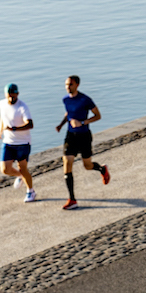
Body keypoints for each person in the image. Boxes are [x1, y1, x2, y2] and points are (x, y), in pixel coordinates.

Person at [56, 75, 111, 210]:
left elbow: (98, 116)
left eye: (70, 84)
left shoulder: (85, 100)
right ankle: (72, 199)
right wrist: (61, 124)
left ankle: (102, 169)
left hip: (84, 136)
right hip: (70, 136)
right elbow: (68, 113)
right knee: (67, 163)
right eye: (66, 84)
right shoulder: (65, 99)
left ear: (77, 85)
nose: (68, 87)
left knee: (87, 165)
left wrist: (82, 122)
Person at [0, 83, 36, 204]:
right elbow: (3, 118)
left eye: (13, 95)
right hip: (8, 142)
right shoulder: (2, 103)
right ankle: (20, 176)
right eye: (9, 95)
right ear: (5, 94)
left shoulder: (22, 107)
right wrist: (0, 130)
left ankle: (31, 191)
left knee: (23, 168)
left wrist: (14, 129)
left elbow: (30, 124)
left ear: (17, 94)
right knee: (5, 169)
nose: (11, 98)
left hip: (23, 143)